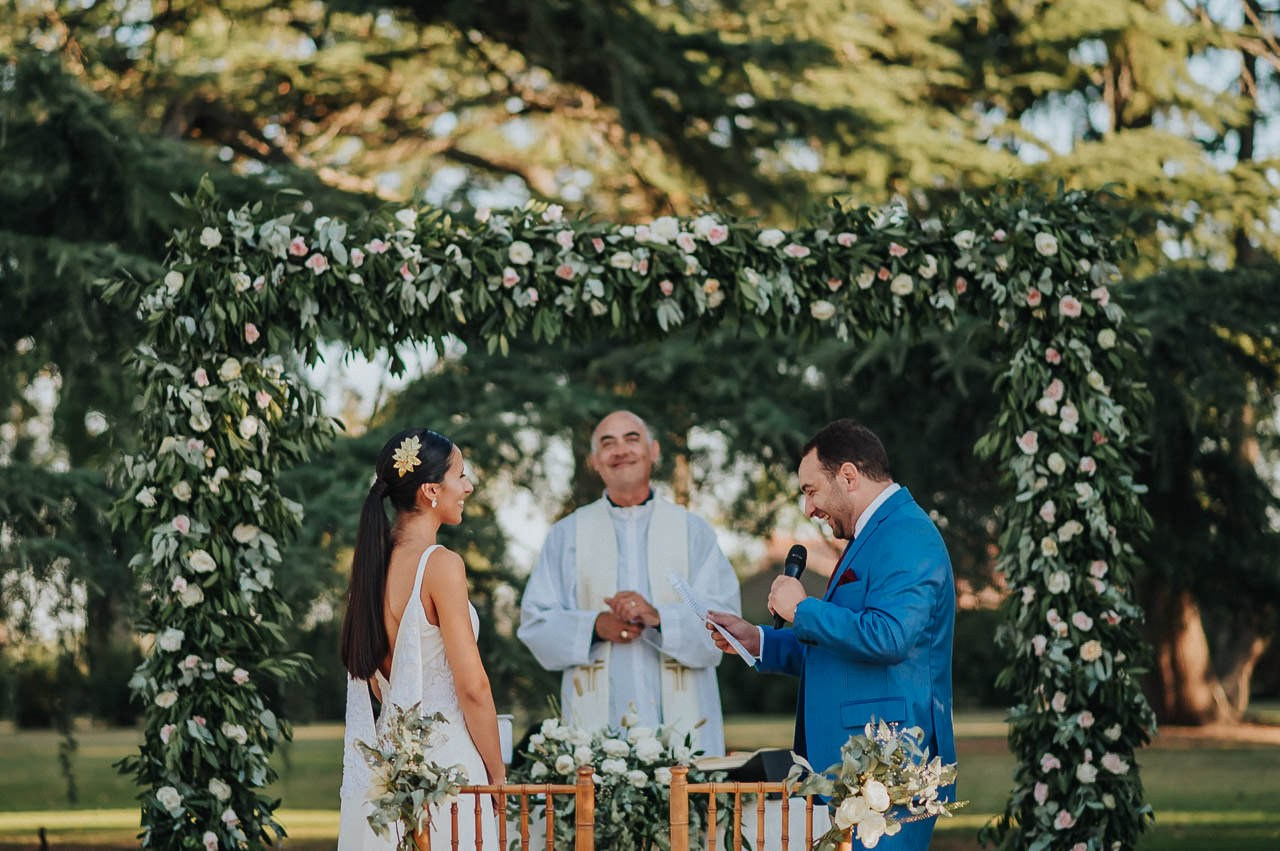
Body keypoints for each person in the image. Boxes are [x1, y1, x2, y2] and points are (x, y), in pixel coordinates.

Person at [708, 419, 955, 850]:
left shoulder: (907, 534)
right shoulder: (873, 536)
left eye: (810, 490)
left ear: (848, 475)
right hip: (851, 770)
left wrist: (803, 609)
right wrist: (758, 641)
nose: (809, 509)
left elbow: (889, 637)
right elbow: (842, 646)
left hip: (891, 769)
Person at [517, 410, 742, 756]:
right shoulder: (566, 535)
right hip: (597, 736)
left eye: (631, 439)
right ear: (595, 462)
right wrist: (594, 625)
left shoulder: (693, 532)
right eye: (608, 443)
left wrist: (660, 618)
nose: (620, 450)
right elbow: (535, 621)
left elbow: (727, 624)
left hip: (685, 730)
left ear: (653, 451)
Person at [338, 428, 503, 850]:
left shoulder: (370, 570)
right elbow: (473, 687)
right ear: (431, 490)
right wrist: (498, 775)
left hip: (389, 775)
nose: (468, 486)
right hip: (448, 770)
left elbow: (376, 680)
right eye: (460, 476)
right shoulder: (440, 565)